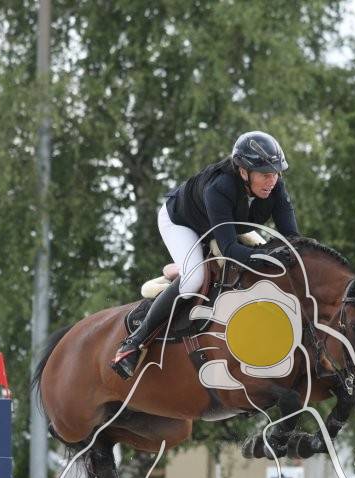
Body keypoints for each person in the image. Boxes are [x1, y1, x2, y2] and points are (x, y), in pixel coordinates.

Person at [111, 131, 300, 378]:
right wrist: (270, 259)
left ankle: (179, 269)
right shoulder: (219, 187)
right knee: (194, 280)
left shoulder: (275, 185)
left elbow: (293, 239)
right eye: (265, 174)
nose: (272, 180)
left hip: (224, 224)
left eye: (275, 173)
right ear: (244, 172)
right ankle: (133, 343)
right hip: (182, 223)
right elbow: (230, 249)